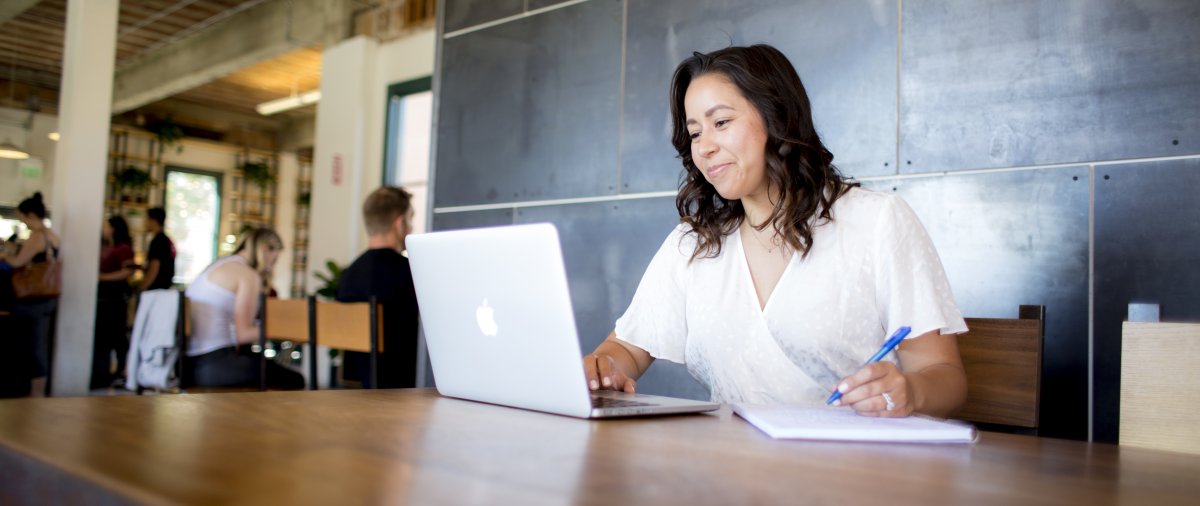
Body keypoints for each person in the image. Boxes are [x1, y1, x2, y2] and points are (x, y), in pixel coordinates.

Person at [583, 45, 968, 418]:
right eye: (696, 133)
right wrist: (604, 368)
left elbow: (945, 377)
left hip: (857, 469)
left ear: (775, 117)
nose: (705, 148)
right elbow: (627, 350)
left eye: (721, 123)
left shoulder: (878, 221)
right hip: (733, 467)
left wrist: (910, 390)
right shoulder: (694, 244)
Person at [183, 227, 303, 389]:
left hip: (188, 364)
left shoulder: (219, 265)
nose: (270, 268)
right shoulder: (247, 275)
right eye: (273, 260)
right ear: (264, 250)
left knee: (263, 365)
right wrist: (289, 330)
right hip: (214, 365)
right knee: (295, 380)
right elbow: (244, 334)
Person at [336, 186, 420, 388]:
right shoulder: (410, 273)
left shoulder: (349, 274)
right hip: (401, 387)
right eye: (410, 219)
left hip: (355, 385)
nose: (412, 227)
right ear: (399, 224)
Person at [0, 192, 61, 397]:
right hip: (48, 297)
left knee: (30, 347)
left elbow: (18, 263)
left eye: (22, 218)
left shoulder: (36, 236)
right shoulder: (51, 234)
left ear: (30, 215)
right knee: (39, 345)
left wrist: (4, 255)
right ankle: (38, 393)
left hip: (32, 299)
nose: (22, 222)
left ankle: (33, 394)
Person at [92, 216, 135, 389]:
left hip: (115, 297)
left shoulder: (123, 248)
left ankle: (120, 371)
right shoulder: (108, 247)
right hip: (104, 297)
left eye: (107, 226)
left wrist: (102, 277)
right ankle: (103, 373)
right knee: (105, 336)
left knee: (117, 335)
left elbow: (128, 271)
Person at [138, 207, 175, 291]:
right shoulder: (165, 240)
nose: (145, 222)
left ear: (153, 221)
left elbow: (155, 267)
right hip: (163, 288)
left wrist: (142, 287)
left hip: (156, 290)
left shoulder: (158, 241)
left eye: (147, 219)